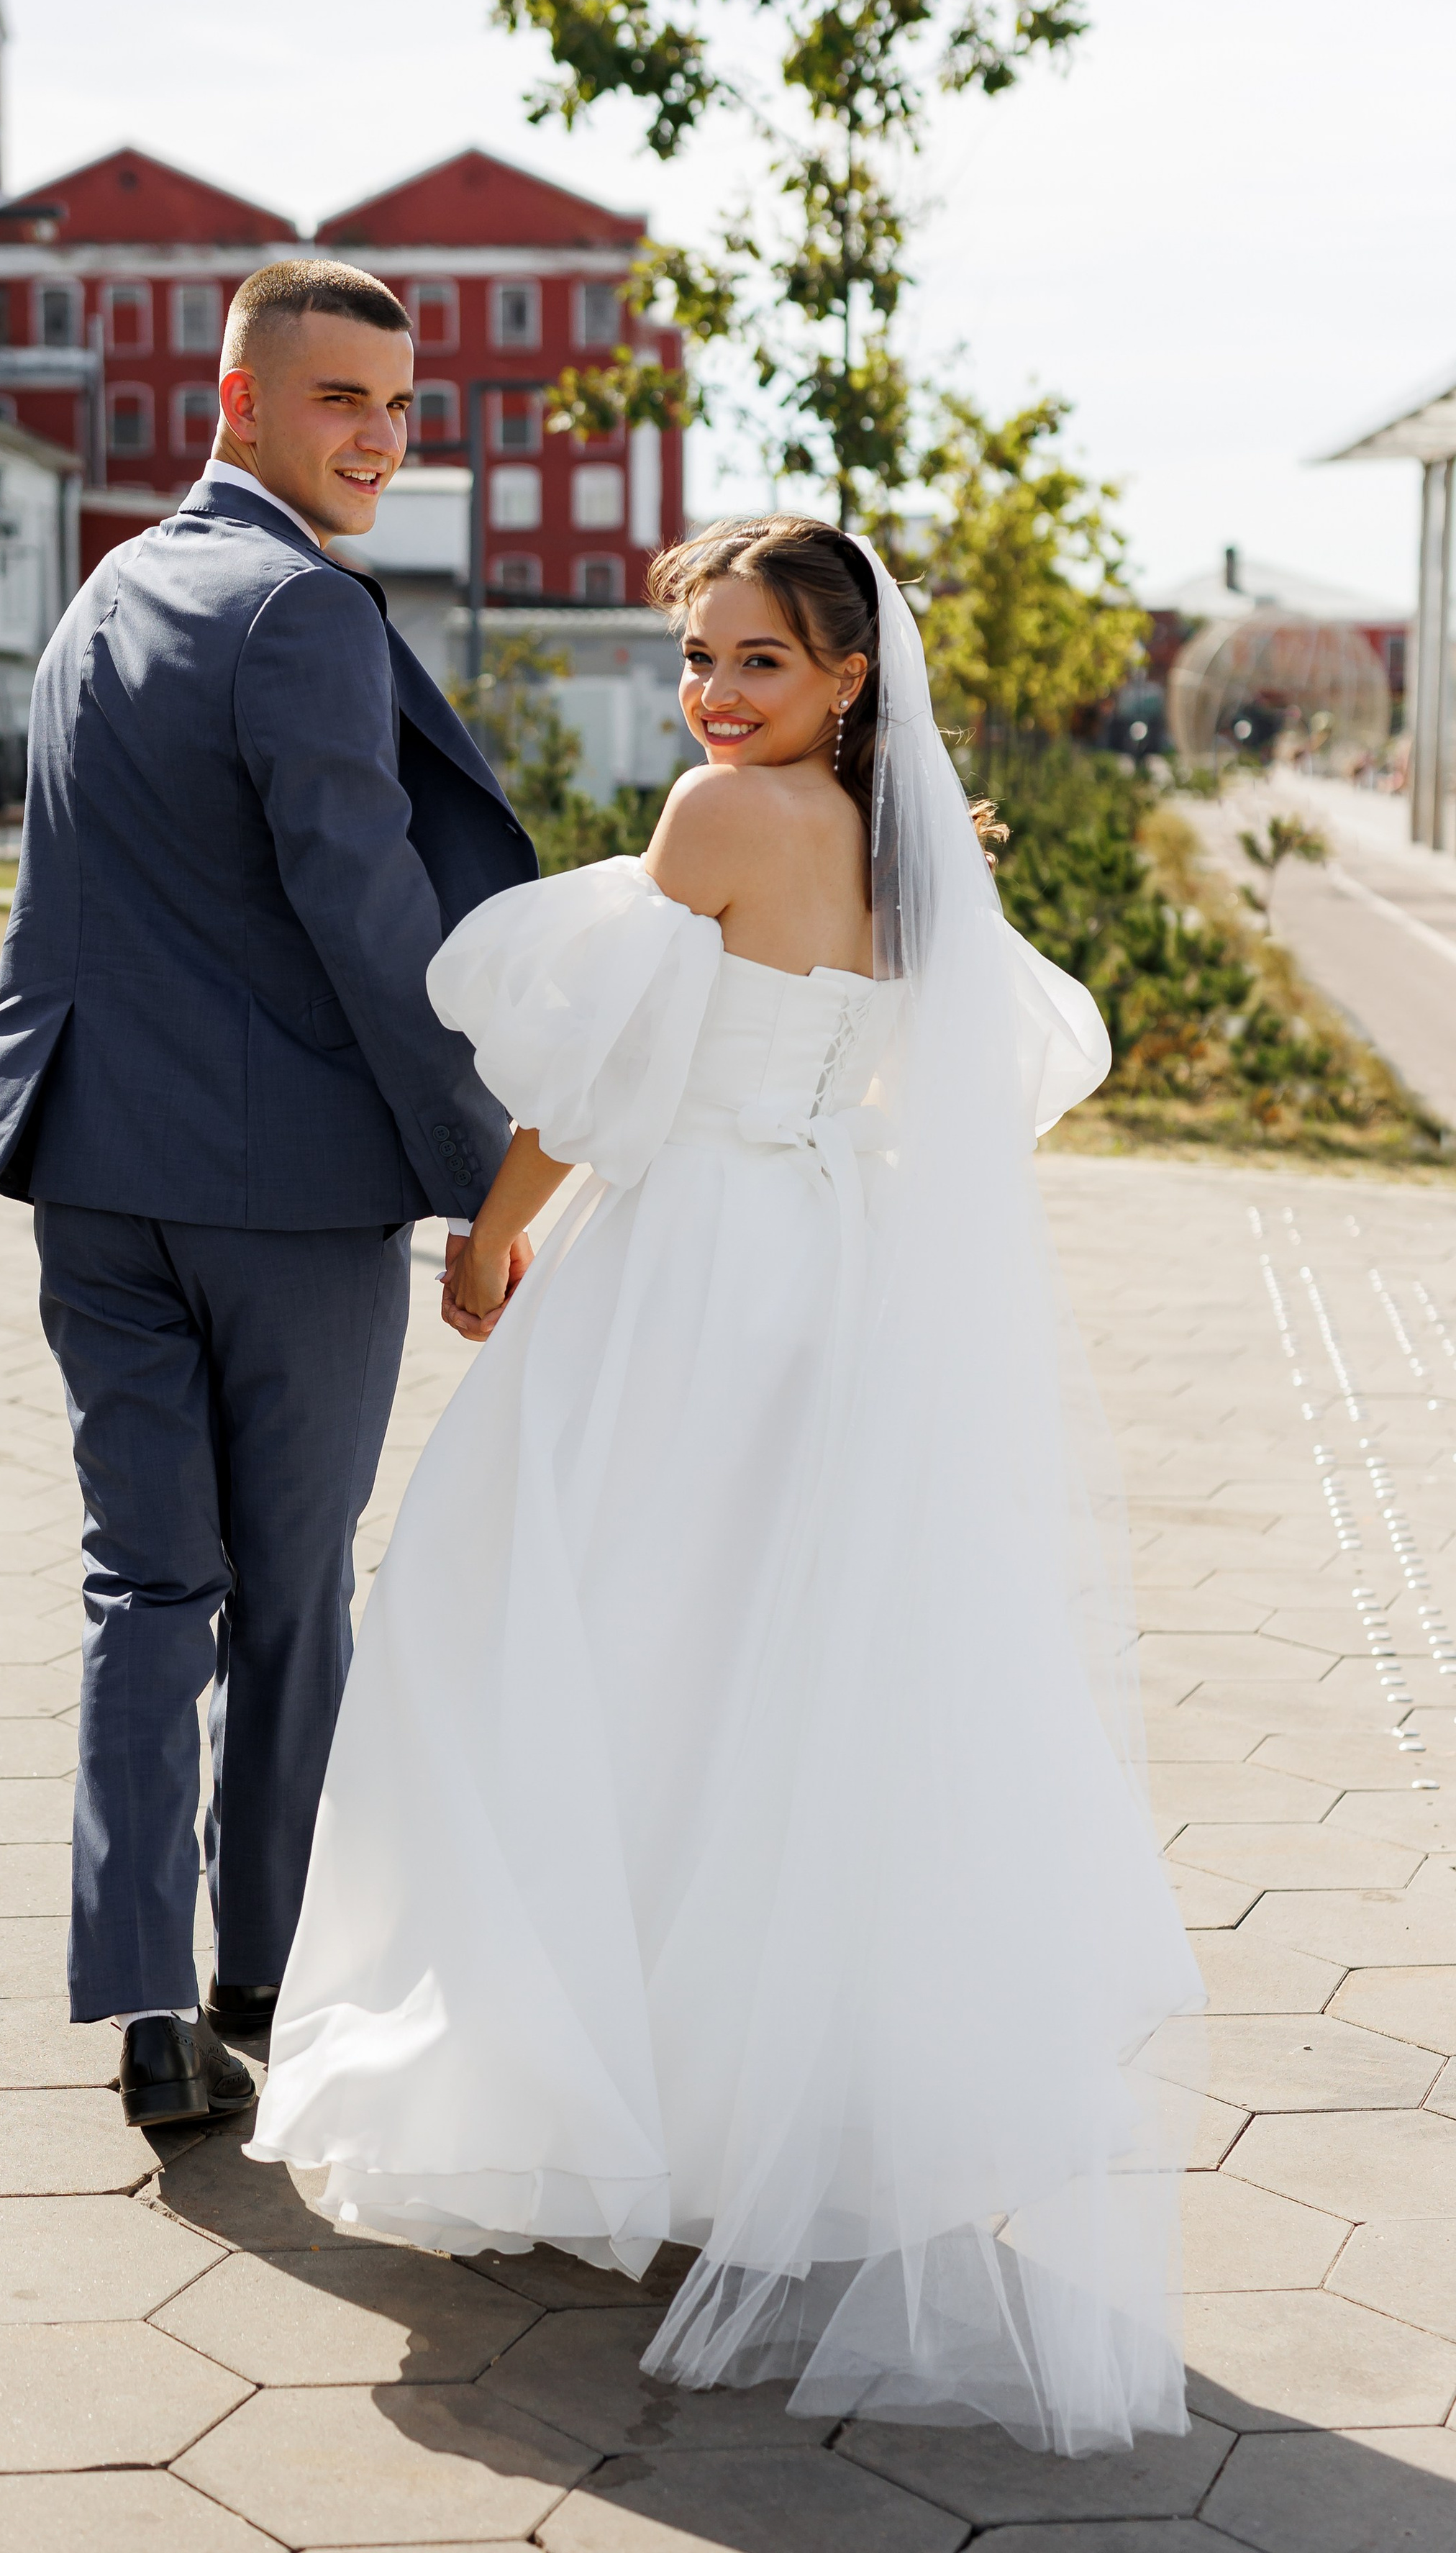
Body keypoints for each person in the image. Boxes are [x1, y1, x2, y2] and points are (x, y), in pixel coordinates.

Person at [250, 517, 1204, 2454]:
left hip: (685, 1268)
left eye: (758, 659)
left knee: (573, 1643)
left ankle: (590, 2087)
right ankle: (756, 2101)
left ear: (849, 675)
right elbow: (966, 1062)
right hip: (825, 1269)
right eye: (700, 657)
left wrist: (488, 1238)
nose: (716, 694)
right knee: (771, 1672)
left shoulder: (716, 819)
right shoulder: (911, 847)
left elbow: (594, 1085)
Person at [0, 261, 537, 2130]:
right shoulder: (299, 608)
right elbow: (369, 923)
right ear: (238, 401)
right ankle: (267, 1965)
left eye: (400, 403)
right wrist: (485, 1183)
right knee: (287, 1593)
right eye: (342, 398)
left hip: (89, 1174)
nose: (379, 436)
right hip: (282, 1196)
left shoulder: (107, 592)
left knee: (144, 1583)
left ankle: (145, 2003)